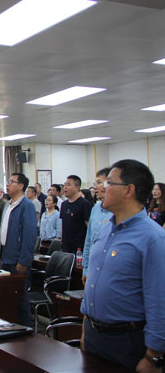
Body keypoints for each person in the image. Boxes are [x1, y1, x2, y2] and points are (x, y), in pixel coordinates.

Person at [81, 159, 165, 371]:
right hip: (93, 335)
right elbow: (93, 283)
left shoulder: (153, 238)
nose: (102, 188)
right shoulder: (106, 229)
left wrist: (153, 357)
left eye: (109, 183)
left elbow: (159, 301)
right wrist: (85, 329)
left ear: (129, 190)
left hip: (126, 340)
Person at [0, 173, 37, 327]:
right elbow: (3, 232)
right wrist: (0, 255)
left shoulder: (27, 206)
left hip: (18, 259)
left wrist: (24, 260)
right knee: (7, 298)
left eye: (11, 182)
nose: (8, 184)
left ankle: (26, 330)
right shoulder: (8, 205)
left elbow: (29, 235)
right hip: (6, 256)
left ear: (21, 186)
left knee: (20, 298)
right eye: (8, 181)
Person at [81, 168, 112, 286]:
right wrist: (85, 268)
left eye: (99, 182)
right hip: (92, 269)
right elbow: (89, 241)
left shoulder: (118, 213)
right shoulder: (95, 209)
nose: (95, 187)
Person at [60, 175, 92, 253]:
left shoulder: (84, 204)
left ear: (77, 188)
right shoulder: (64, 204)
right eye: (65, 185)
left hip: (79, 248)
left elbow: (89, 226)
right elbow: (63, 225)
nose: (65, 187)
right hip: (65, 247)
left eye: (68, 185)